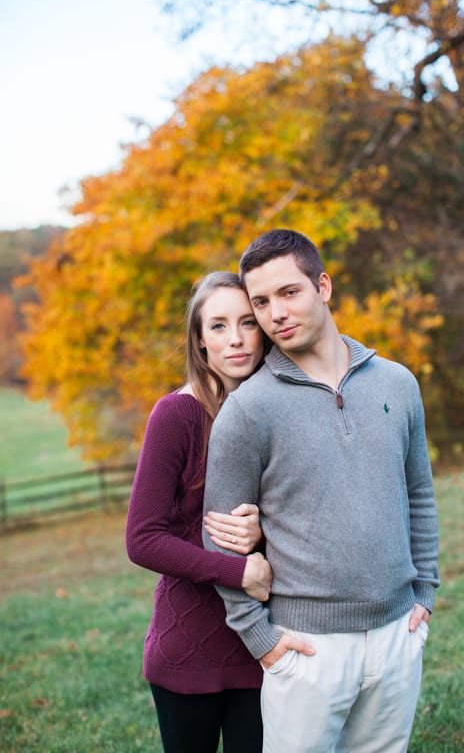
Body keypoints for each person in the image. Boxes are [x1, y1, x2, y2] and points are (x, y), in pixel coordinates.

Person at [202, 230, 440, 753]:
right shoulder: (249, 410)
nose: (275, 313)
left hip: (399, 633)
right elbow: (219, 536)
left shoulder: (397, 383)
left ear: (323, 286)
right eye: (260, 302)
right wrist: (262, 641)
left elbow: (419, 493)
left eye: (289, 292)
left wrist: (425, 588)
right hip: (305, 650)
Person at [126, 272, 273, 753]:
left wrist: (262, 529)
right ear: (199, 340)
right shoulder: (177, 415)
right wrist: (238, 571)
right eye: (218, 326)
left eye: (248, 323)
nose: (235, 339)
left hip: (265, 641)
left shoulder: (279, 410)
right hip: (189, 646)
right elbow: (143, 538)